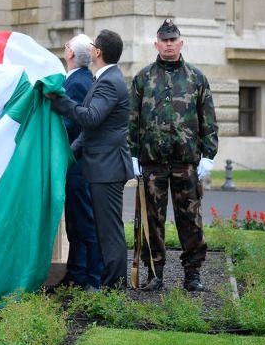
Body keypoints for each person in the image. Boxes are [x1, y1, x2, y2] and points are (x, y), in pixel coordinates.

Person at [129, 19, 218, 293]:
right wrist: (132, 155)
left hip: (186, 162)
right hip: (152, 163)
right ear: (156, 44)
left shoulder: (196, 78)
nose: (168, 44)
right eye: (164, 40)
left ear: (180, 43)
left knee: (190, 219)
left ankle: (192, 274)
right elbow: (133, 119)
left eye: (173, 40)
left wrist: (208, 155)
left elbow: (208, 120)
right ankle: (154, 273)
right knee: (150, 220)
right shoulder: (143, 78)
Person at [48, 29, 135, 289]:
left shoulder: (108, 81)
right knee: (104, 229)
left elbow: (91, 118)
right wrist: (69, 155)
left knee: (108, 232)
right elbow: (90, 132)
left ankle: (113, 287)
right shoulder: (103, 78)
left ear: (98, 52)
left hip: (107, 166)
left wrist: (60, 101)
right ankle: (108, 283)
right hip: (101, 165)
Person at [56, 33, 103, 291]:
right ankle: (76, 274)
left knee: (83, 223)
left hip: (79, 165)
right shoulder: (83, 79)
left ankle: (89, 278)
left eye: (67, 47)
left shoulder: (76, 83)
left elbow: (71, 123)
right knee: (75, 223)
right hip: (80, 164)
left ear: (71, 54)